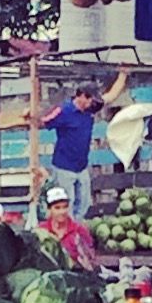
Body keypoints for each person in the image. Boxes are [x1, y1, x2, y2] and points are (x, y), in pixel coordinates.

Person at [34, 82, 102, 219]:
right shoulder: (64, 111)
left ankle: (76, 229)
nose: (92, 102)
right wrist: (31, 116)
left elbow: (110, 96)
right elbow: (43, 121)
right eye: (90, 99)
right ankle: (65, 231)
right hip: (64, 167)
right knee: (65, 206)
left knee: (84, 204)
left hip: (81, 167)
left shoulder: (89, 111)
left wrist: (122, 75)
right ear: (82, 96)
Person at [41, 186, 99, 271]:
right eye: (57, 208)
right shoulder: (42, 230)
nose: (62, 211)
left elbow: (90, 255)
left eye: (65, 207)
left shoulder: (79, 230)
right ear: (49, 209)